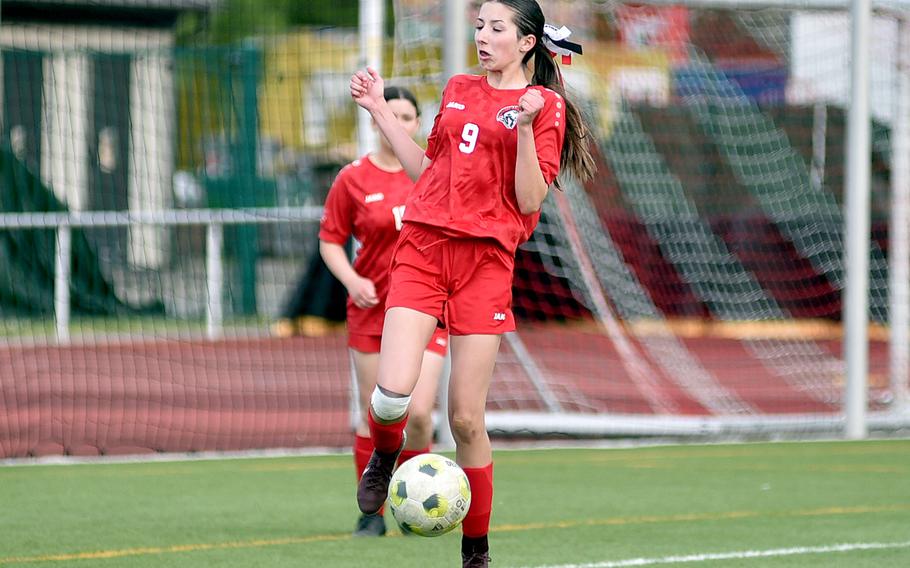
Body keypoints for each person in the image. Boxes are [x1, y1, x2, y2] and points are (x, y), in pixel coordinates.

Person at [349, 1, 593, 565]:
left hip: (485, 263)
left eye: (496, 28)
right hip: (423, 249)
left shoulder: (546, 106)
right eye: (479, 26)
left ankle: (476, 549)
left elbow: (530, 200)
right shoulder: (459, 87)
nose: (482, 36)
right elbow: (426, 174)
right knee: (391, 399)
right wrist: (378, 110)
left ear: (527, 42)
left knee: (464, 418)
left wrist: (528, 126)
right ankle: (384, 459)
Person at [318, 86, 449, 537]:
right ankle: (370, 513)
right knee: (376, 410)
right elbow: (330, 240)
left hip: (426, 308)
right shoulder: (353, 178)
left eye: (409, 116)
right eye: (390, 115)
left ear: (417, 124)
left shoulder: (429, 173)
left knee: (417, 413)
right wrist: (353, 281)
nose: (399, 122)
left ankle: (412, 505)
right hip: (372, 314)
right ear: (376, 122)